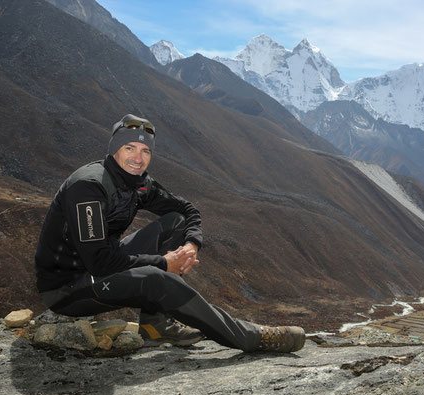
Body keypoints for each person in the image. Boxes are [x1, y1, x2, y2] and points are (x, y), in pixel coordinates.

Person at [34, 114, 305, 353]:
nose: (138, 158)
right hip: (67, 289)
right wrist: (164, 263)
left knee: (174, 222)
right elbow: (98, 262)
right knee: (155, 278)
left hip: (102, 265)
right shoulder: (89, 186)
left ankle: (155, 327)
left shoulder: (138, 183)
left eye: (145, 151)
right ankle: (251, 337)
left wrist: (191, 244)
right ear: (115, 149)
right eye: (130, 148)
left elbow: (187, 210)